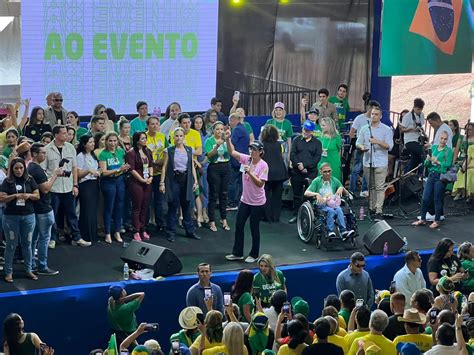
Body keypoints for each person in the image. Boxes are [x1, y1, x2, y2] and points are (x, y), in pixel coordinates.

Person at [42, 125, 91, 247]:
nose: (67, 135)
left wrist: (75, 185)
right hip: (54, 188)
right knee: (52, 215)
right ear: (56, 135)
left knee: (72, 214)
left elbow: (74, 168)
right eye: (64, 133)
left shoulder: (70, 148)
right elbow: (43, 170)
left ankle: (77, 237)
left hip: (68, 187)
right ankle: (52, 238)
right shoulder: (47, 149)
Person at [224, 137, 268, 263]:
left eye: (254, 149)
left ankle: (254, 254)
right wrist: (228, 140)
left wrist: (250, 173)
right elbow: (232, 152)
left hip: (257, 202)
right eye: (251, 149)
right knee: (239, 226)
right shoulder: (246, 159)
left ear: (260, 151)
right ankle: (237, 253)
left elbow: (260, 184)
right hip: (245, 200)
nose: (251, 151)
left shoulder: (263, 165)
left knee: (254, 228)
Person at [0, 158, 39, 282]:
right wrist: (15, 196)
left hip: (28, 216)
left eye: (21, 168)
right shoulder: (7, 181)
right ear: (12, 169)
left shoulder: (30, 179)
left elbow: (37, 195)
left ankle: (28, 270)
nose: (19, 170)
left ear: (24, 168)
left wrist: (29, 195)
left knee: (27, 244)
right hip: (11, 217)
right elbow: (1, 198)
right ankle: (8, 272)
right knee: (11, 245)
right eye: (16, 168)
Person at [159, 127, 200, 242]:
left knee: (187, 206)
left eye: (181, 136)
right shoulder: (169, 150)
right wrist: (162, 183)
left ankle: (190, 231)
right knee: (173, 205)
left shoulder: (189, 150)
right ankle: (171, 232)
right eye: (176, 136)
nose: (178, 138)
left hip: (186, 179)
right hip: (173, 180)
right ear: (173, 137)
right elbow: (164, 167)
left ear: (184, 137)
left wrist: (195, 181)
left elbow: (191, 166)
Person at [28, 143, 61, 275]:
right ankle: (42, 266)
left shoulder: (30, 167)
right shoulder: (36, 169)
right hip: (43, 208)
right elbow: (46, 188)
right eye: (43, 152)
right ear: (34, 154)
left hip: (35, 208)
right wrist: (55, 175)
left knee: (34, 238)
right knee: (44, 238)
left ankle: (31, 264)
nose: (45, 155)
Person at [356, 105, 393, 220]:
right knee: (371, 186)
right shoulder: (364, 128)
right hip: (368, 161)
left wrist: (377, 141)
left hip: (381, 162)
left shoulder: (386, 129)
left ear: (380, 116)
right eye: (372, 114)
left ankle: (378, 210)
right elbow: (358, 143)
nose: (374, 116)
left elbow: (389, 146)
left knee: (379, 187)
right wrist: (362, 147)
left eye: (376, 114)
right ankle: (371, 208)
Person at [304, 162, 355, 239]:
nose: (327, 173)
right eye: (325, 172)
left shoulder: (335, 180)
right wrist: (316, 194)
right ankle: (330, 231)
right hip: (321, 204)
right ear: (320, 172)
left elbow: (347, 194)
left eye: (329, 171)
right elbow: (306, 193)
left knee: (339, 210)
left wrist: (342, 188)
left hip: (333, 204)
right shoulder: (317, 181)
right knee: (331, 211)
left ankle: (343, 230)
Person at [288, 120, 322, 224]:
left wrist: (306, 166)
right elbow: (292, 155)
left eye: (307, 131)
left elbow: (317, 158)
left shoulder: (317, 143)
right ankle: (296, 215)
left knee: (309, 195)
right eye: (304, 130)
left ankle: (308, 216)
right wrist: (300, 166)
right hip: (297, 172)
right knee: (297, 195)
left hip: (310, 172)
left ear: (312, 132)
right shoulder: (296, 140)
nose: (305, 132)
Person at [98, 132, 129, 244]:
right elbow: (104, 172)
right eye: (110, 141)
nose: (113, 143)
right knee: (109, 207)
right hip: (108, 182)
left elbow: (124, 166)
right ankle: (107, 233)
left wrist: (125, 168)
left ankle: (117, 231)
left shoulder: (120, 152)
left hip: (120, 181)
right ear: (106, 141)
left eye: (115, 141)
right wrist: (118, 169)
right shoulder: (103, 154)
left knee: (119, 206)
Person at [349, 101, 380, 196]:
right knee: (356, 169)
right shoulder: (359, 118)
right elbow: (351, 133)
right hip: (360, 147)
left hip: (370, 147)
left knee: (368, 169)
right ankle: (352, 190)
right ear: (369, 108)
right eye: (373, 109)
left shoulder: (374, 120)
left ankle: (364, 190)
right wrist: (357, 144)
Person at [126, 132, 153, 241]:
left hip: (147, 181)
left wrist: (151, 177)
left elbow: (151, 165)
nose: (145, 140)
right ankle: (136, 230)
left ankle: (143, 229)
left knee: (145, 207)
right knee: (137, 207)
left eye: (145, 138)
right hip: (136, 182)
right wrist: (141, 179)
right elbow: (131, 169)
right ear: (137, 140)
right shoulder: (131, 153)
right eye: (142, 138)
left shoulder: (148, 151)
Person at [205, 121, 231, 232]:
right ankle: (212, 221)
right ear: (213, 130)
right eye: (217, 129)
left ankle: (223, 219)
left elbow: (231, 151)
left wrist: (228, 140)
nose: (219, 131)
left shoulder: (226, 139)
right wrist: (216, 147)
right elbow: (209, 155)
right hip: (214, 168)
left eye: (221, 129)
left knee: (224, 194)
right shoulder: (209, 141)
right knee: (213, 195)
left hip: (225, 167)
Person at [76, 134, 100, 243]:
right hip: (85, 184)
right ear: (84, 144)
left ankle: (93, 235)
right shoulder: (80, 156)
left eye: (93, 142)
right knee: (86, 210)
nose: (93, 144)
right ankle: (85, 234)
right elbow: (78, 173)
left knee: (93, 210)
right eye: (90, 142)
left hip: (94, 183)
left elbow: (97, 168)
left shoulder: (93, 155)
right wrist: (88, 171)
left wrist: (98, 172)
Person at [145, 116, 167, 232]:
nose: (155, 126)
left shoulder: (162, 137)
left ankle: (160, 223)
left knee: (159, 200)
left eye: (156, 124)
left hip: (160, 172)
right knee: (147, 200)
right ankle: (145, 223)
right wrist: (152, 164)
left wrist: (161, 163)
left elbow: (167, 153)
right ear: (148, 125)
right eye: (152, 124)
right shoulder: (143, 137)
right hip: (147, 173)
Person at [261, 125, 288, 223]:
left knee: (265, 195)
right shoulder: (278, 145)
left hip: (266, 174)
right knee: (277, 196)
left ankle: (266, 216)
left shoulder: (262, 145)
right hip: (279, 173)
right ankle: (275, 217)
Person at [227, 112, 250, 212]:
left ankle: (232, 203)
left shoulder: (236, 129)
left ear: (233, 120)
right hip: (243, 159)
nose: (230, 124)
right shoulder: (244, 128)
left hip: (237, 160)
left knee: (232, 182)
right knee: (241, 183)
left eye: (230, 121)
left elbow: (232, 144)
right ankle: (240, 202)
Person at [191, 114, 209, 225]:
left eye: (200, 122)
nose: (198, 124)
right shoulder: (190, 134)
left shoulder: (206, 136)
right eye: (196, 122)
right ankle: (193, 210)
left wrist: (202, 163)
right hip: (192, 165)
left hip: (204, 165)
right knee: (194, 189)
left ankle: (204, 210)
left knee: (204, 189)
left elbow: (207, 153)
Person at [399, 98, 426, 173]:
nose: (419, 111)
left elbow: (420, 126)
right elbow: (402, 130)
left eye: (421, 109)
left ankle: (407, 177)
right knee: (423, 154)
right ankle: (420, 175)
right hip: (409, 141)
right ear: (414, 107)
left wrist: (424, 134)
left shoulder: (422, 115)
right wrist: (412, 129)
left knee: (414, 161)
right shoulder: (407, 116)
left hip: (418, 140)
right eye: (418, 109)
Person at [453, 122, 474, 201]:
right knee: (456, 169)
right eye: (467, 129)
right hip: (461, 159)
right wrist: (454, 161)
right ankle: (459, 191)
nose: (468, 131)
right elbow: (456, 151)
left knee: (466, 171)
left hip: (470, 160)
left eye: (470, 129)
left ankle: (467, 193)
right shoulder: (461, 138)